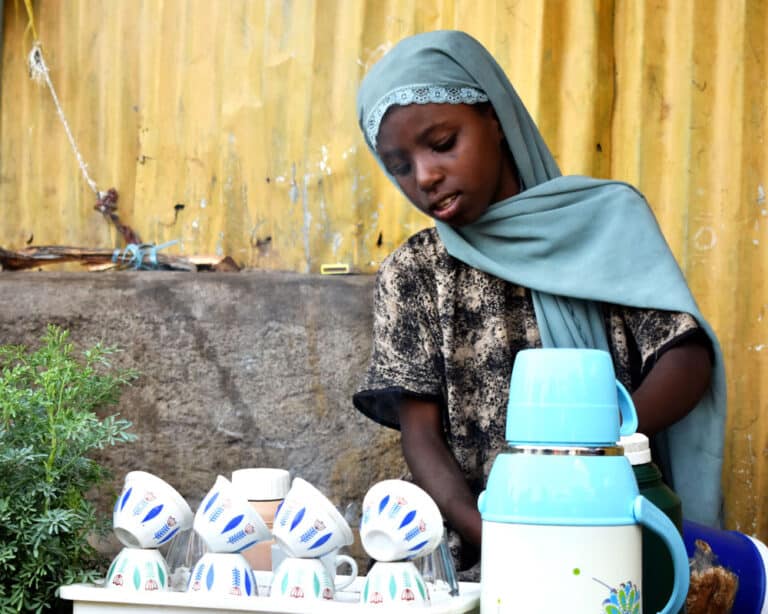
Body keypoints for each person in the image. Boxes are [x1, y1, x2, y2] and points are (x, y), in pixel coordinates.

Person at [352, 30, 726, 579]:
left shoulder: (603, 224)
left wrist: (595, 458)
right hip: (482, 532)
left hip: (608, 517)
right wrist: (486, 526)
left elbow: (686, 357)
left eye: (442, 143)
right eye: (399, 166)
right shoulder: (415, 272)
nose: (425, 177)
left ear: (495, 119)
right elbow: (420, 433)